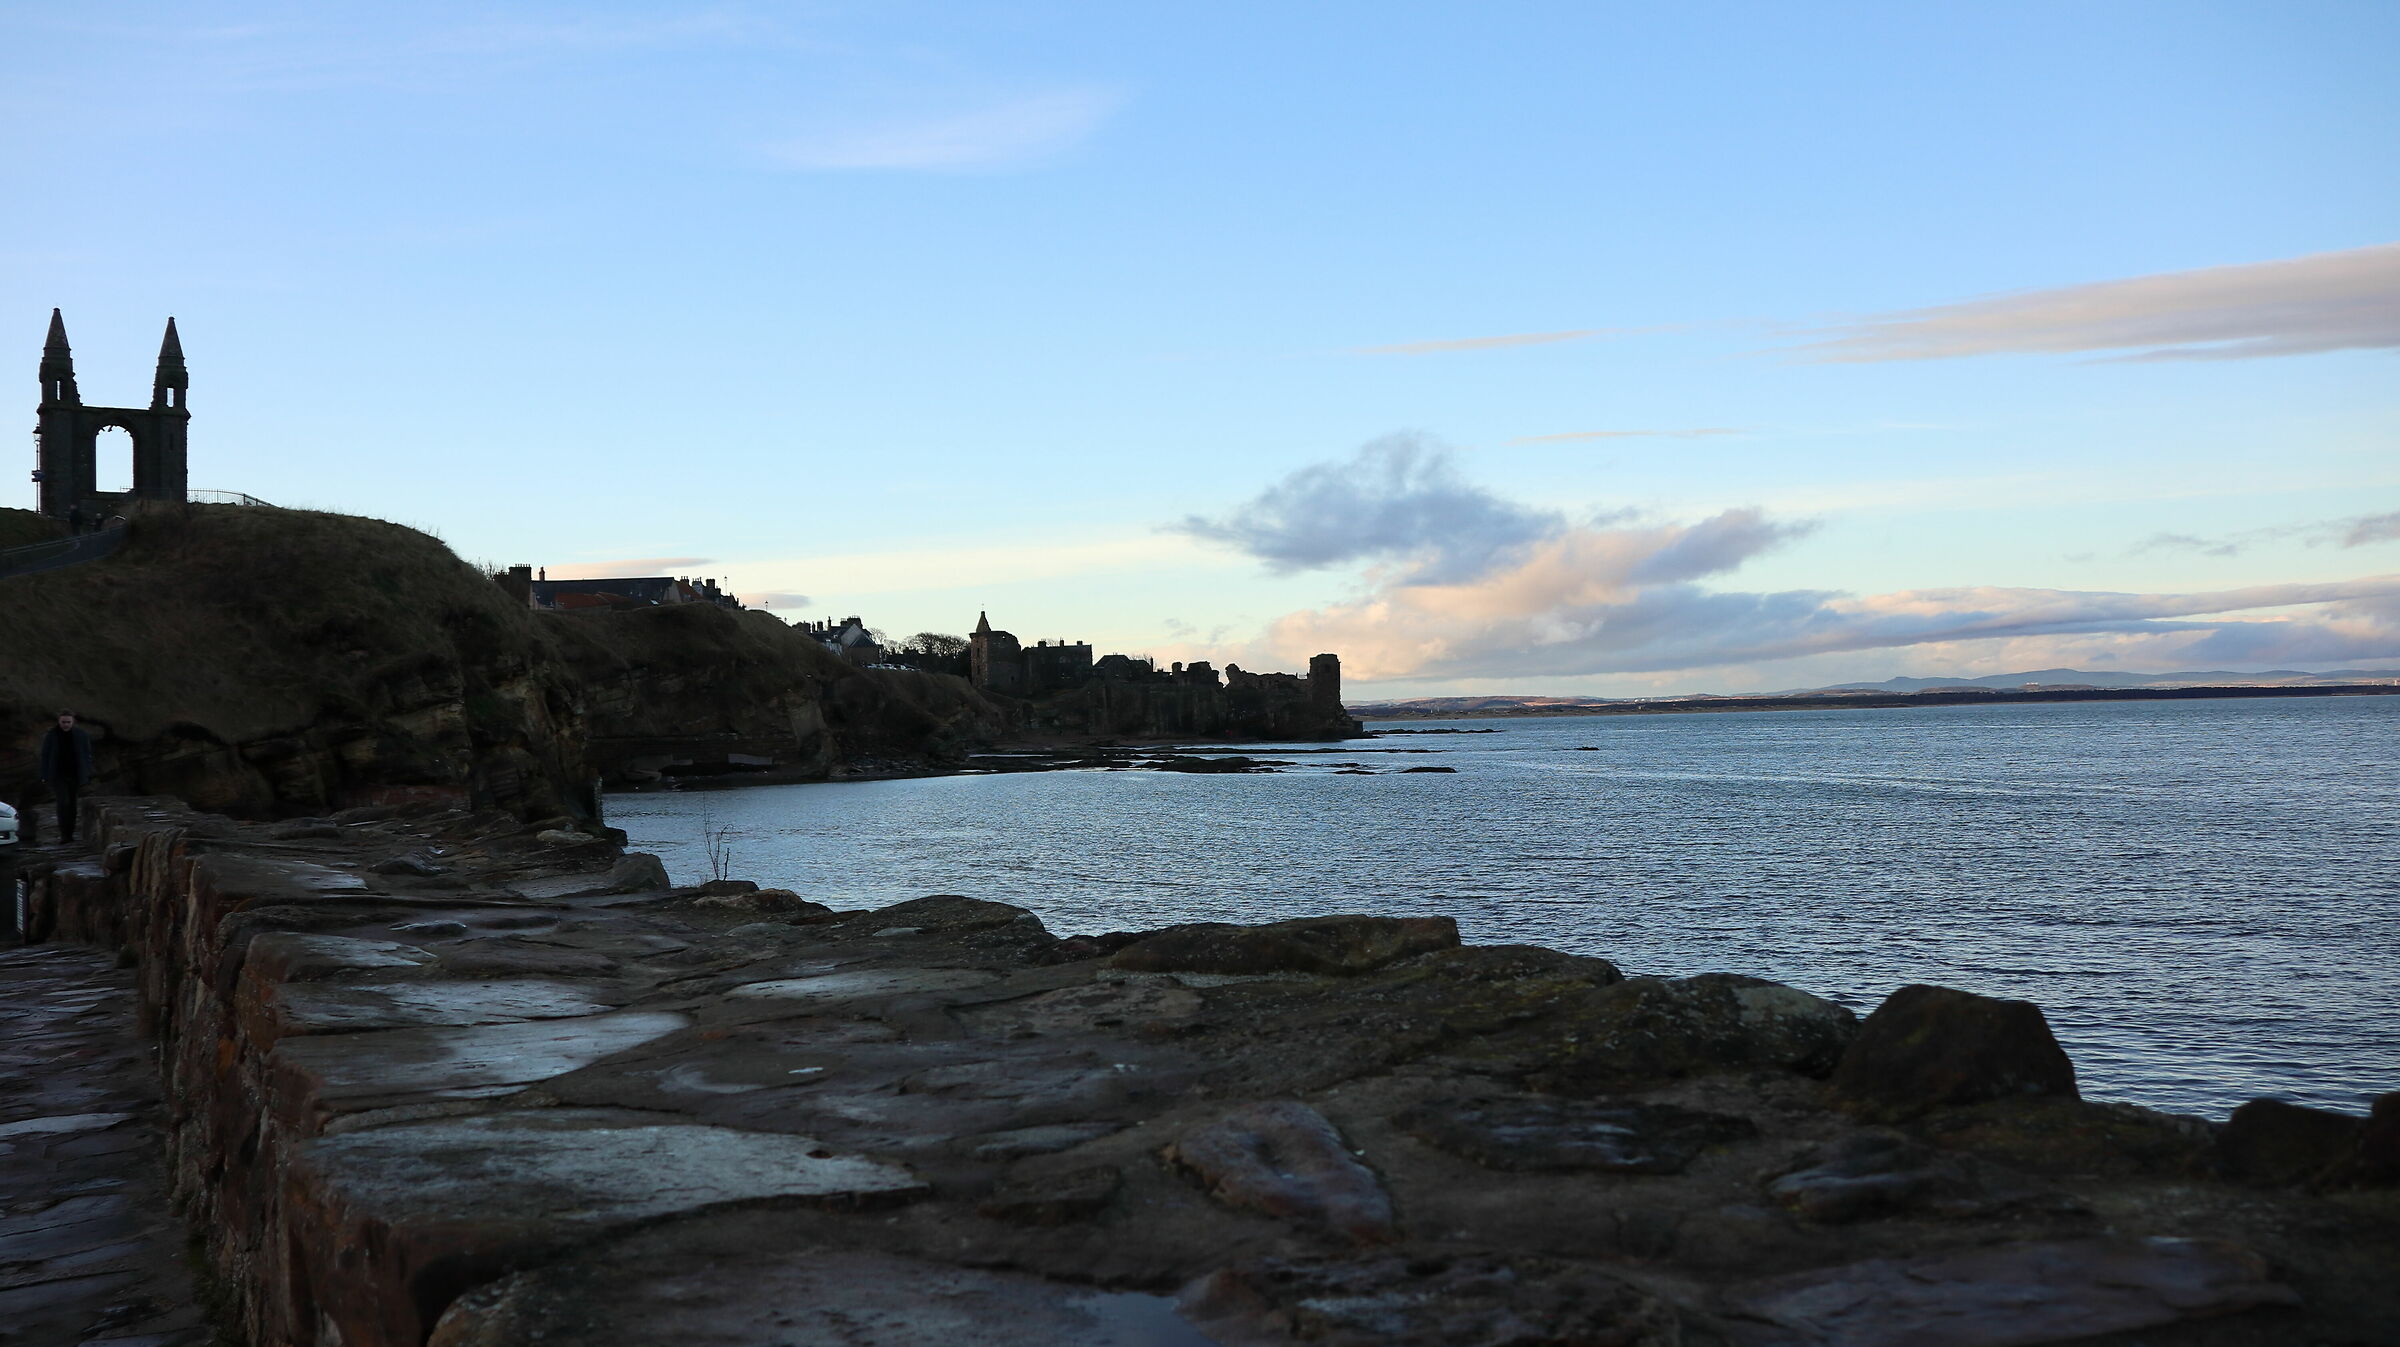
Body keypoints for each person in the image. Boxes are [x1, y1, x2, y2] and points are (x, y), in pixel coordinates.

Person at [39, 711, 95, 844]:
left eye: (68, 722)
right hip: (58, 775)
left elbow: (87, 755)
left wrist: (87, 773)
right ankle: (64, 834)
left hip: (75, 774)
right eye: (63, 722)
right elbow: (45, 756)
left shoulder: (81, 735)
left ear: (73, 721)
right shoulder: (52, 735)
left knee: (72, 804)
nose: (65, 725)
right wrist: (44, 774)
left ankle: (69, 833)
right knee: (63, 803)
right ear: (59, 721)